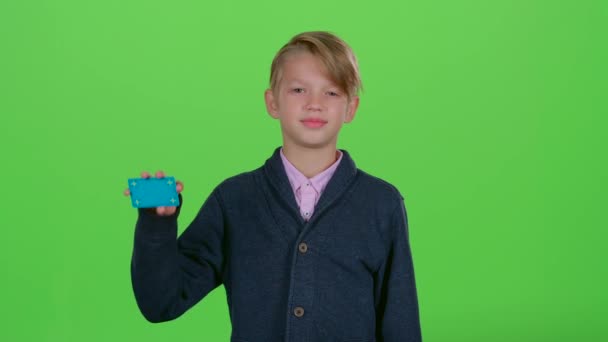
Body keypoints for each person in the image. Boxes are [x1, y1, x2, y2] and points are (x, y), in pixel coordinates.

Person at [124, 31, 422, 342]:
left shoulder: (381, 203)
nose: (314, 104)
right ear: (272, 102)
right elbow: (161, 303)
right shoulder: (233, 201)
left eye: (332, 93)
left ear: (351, 108)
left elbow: (400, 322)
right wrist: (156, 225)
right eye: (298, 89)